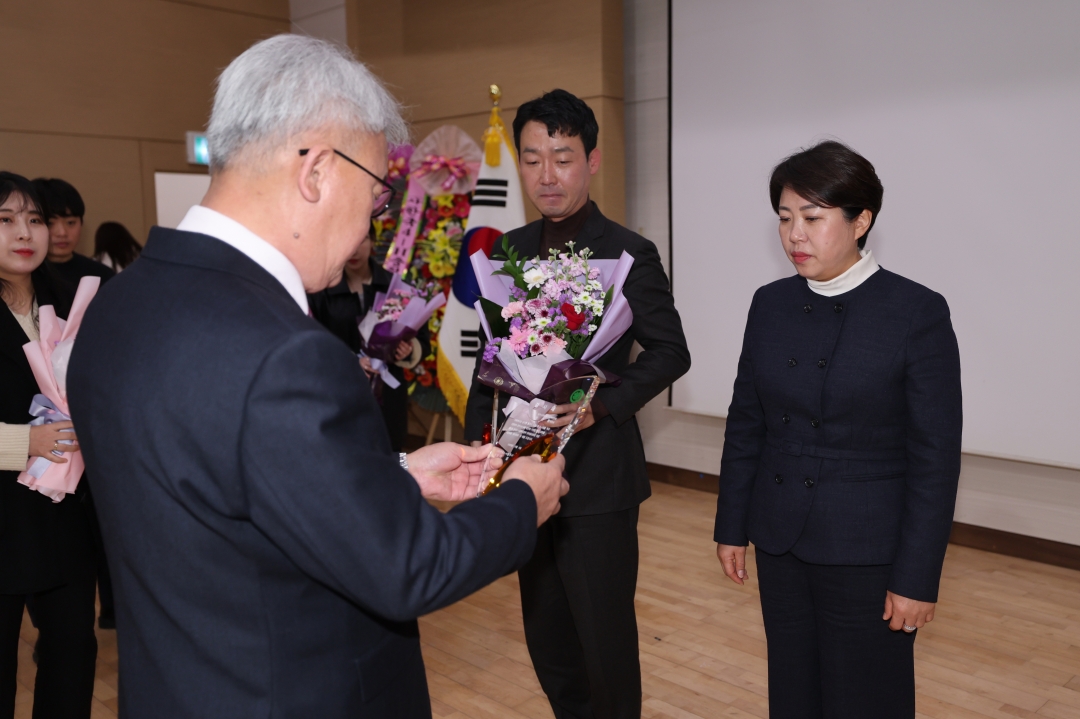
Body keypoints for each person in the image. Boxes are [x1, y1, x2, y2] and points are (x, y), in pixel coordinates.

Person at [67, 35, 568, 719]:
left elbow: (218, 485)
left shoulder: (116, 306)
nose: (369, 230)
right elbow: (408, 567)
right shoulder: (286, 352)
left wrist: (391, 474)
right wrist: (520, 500)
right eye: (376, 196)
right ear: (318, 171)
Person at [713, 140, 962, 718]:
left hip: (867, 551)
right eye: (784, 218)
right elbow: (746, 423)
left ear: (861, 221)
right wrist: (732, 525)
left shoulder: (915, 311)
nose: (794, 235)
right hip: (780, 540)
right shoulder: (769, 303)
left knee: (866, 701)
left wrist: (917, 578)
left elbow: (935, 459)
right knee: (793, 695)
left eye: (813, 218)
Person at [464, 89, 691, 719]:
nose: (547, 175)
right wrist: (482, 452)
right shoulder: (505, 254)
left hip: (597, 480)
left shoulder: (628, 252)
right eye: (532, 158)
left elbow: (671, 353)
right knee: (548, 639)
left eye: (562, 158)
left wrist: (599, 403)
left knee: (604, 642)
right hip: (520, 474)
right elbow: (490, 362)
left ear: (591, 161)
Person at [0, 171, 98, 719]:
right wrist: (25, 442)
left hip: (63, 518)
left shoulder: (71, 302)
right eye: (6, 220)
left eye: (34, 219)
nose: (26, 232)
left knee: (72, 656)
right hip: (3, 514)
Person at [31, 179, 117, 630]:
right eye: (50, 221)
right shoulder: (28, 278)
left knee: (104, 525)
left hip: (94, 426)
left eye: (71, 221)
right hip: (40, 434)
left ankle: (113, 610)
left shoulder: (101, 277)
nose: (62, 232)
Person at [309, 223, 428, 451]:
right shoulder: (321, 289)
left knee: (390, 454)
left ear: (373, 241)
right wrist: (350, 360)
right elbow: (313, 339)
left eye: (361, 239)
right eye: (348, 240)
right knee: (344, 454)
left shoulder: (396, 287)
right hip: (339, 391)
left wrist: (409, 349)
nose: (354, 249)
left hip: (388, 395)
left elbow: (422, 339)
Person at [31, 179, 115, 288]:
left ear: (81, 223)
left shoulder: (102, 275)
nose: (62, 233)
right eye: (50, 223)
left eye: (70, 223)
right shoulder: (23, 275)